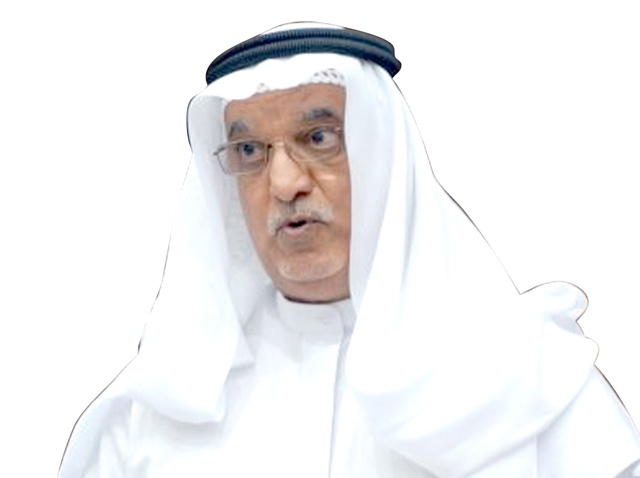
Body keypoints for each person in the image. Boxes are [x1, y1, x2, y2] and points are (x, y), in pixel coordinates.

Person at [59, 22, 640, 477]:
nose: (284, 183)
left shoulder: (534, 387)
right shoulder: (153, 412)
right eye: (250, 151)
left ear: (381, 154)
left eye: (318, 138)